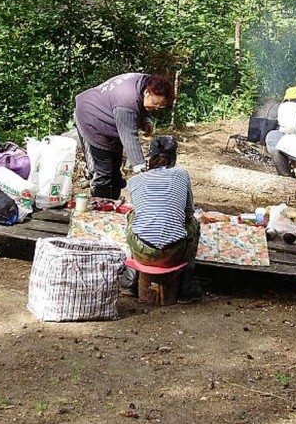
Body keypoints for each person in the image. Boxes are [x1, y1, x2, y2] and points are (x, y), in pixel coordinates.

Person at [125, 135, 203, 302]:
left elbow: (140, 211)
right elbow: (189, 212)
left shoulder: (134, 181)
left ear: (150, 156)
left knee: (132, 217)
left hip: (142, 251)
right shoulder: (182, 174)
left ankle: (130, 281)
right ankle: (186, 288)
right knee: (194, 224)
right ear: (174, 157)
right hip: (173, 252)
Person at [74, 72, 174, 200]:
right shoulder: (126, 101)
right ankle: (100, 213)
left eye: (161, 106)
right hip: (90, 117)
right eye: (155, 104)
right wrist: (142, 170)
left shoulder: (146, 82)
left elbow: (140, 106)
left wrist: (146, 121)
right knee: (104, 173)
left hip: (109, 116)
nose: (157, 108)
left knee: (115, 173)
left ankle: (114, 206)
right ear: (148, 93)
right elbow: (129, 137)